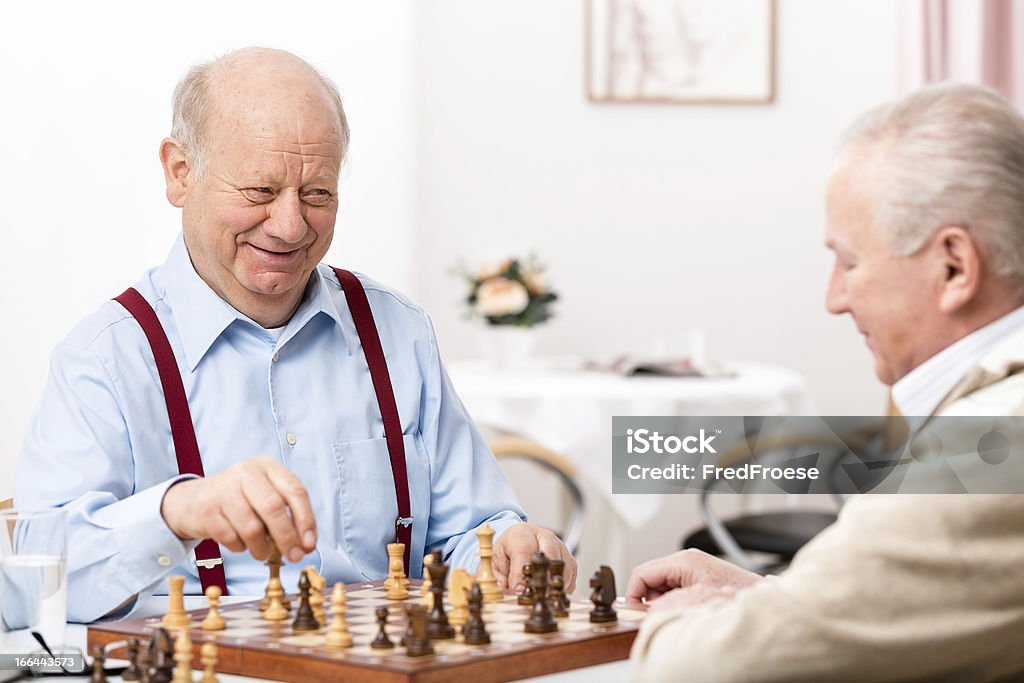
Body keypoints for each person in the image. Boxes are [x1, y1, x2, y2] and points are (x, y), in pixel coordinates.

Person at [14, 47, 574, 623]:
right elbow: (35, 586)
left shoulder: (396, 331)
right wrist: (175, 511)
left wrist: (513, 547)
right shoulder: (106, 356)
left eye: (317, 194)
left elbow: (473, 530)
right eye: (259, 191)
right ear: (180, 172)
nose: (289, 227)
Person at [627, 83, 1024, 682]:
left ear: (954, 267)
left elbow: (695, 671)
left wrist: (678, 619)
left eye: (851, 262)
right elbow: (939, 609)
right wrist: (769, 600)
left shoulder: (989, 445)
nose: (833, 299)